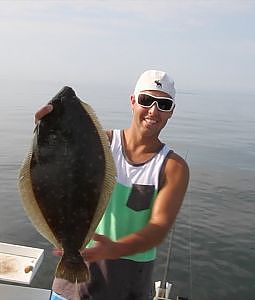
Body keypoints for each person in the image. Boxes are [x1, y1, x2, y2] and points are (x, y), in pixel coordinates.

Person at [35, 70, 189, 300]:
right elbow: (56, 167)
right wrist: (45, 131)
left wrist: (115, 249)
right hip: (73, 282)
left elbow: (158, 228)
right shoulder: (100, 144)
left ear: (171, 112)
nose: (153, 111)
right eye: (146, 100)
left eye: (164, 104)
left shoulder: (173, 167)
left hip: (128, 287)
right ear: (133, 101)